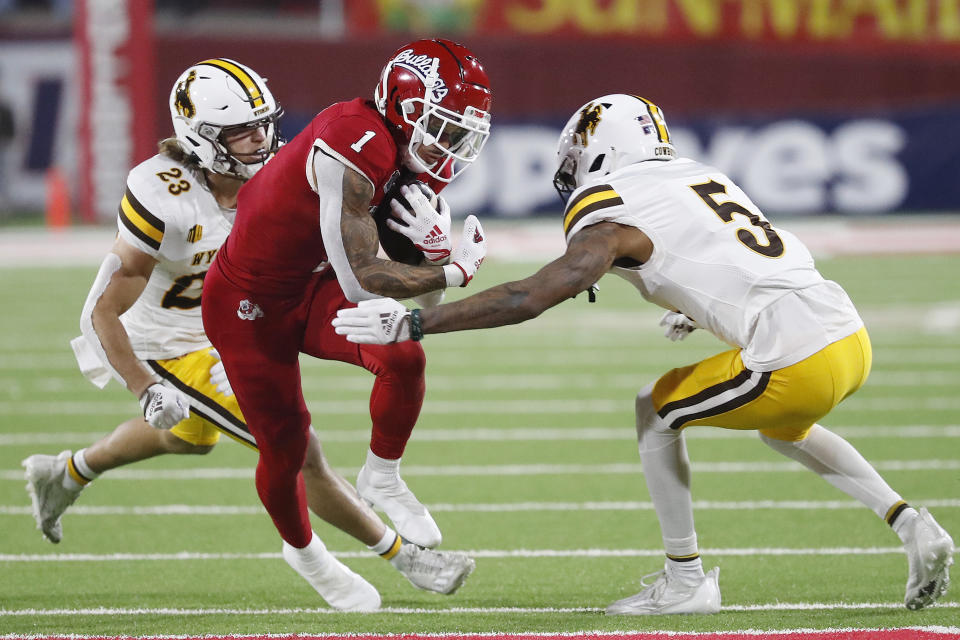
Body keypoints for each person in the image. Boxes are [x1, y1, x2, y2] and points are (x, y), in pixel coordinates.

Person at [332, 93, 956, 614]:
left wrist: (417, 322)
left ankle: (684, 581)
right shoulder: (702, 176)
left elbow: (529, 296)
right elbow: (736, 255)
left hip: (794, 353)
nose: (573, 168)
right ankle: (910, 523)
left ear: (603, 149)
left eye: (578, 155)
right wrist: (694, 306)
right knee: (782, 428)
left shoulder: (610, 202)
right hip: (847, 334)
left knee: (655, 412)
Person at [21, 58, 473, 611]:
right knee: (297, 449)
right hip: (169, 343)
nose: (260, 140)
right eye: (241, 131)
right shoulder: (161, 193)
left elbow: (353, 261)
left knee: (186, 435)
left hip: (256, 316)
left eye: (264, 123)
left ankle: (64, 473)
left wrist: (428, 256)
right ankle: (400, 555)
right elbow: (104, 309)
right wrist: (145, 386)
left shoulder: (285, 172)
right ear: (200, 137)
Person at [199, 39, 490, 598]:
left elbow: (419, 314)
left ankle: (381, 475)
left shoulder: (417, 161)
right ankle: (306, 553)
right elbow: (360, 281)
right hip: (248, 305)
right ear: (408, 108)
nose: (450, 144)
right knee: (285, 446)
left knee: (405, 351)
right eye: (444, 125)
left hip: (314, 285)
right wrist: (452, 271)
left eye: (462, 130)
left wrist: (429, 259)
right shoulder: (350, 141)